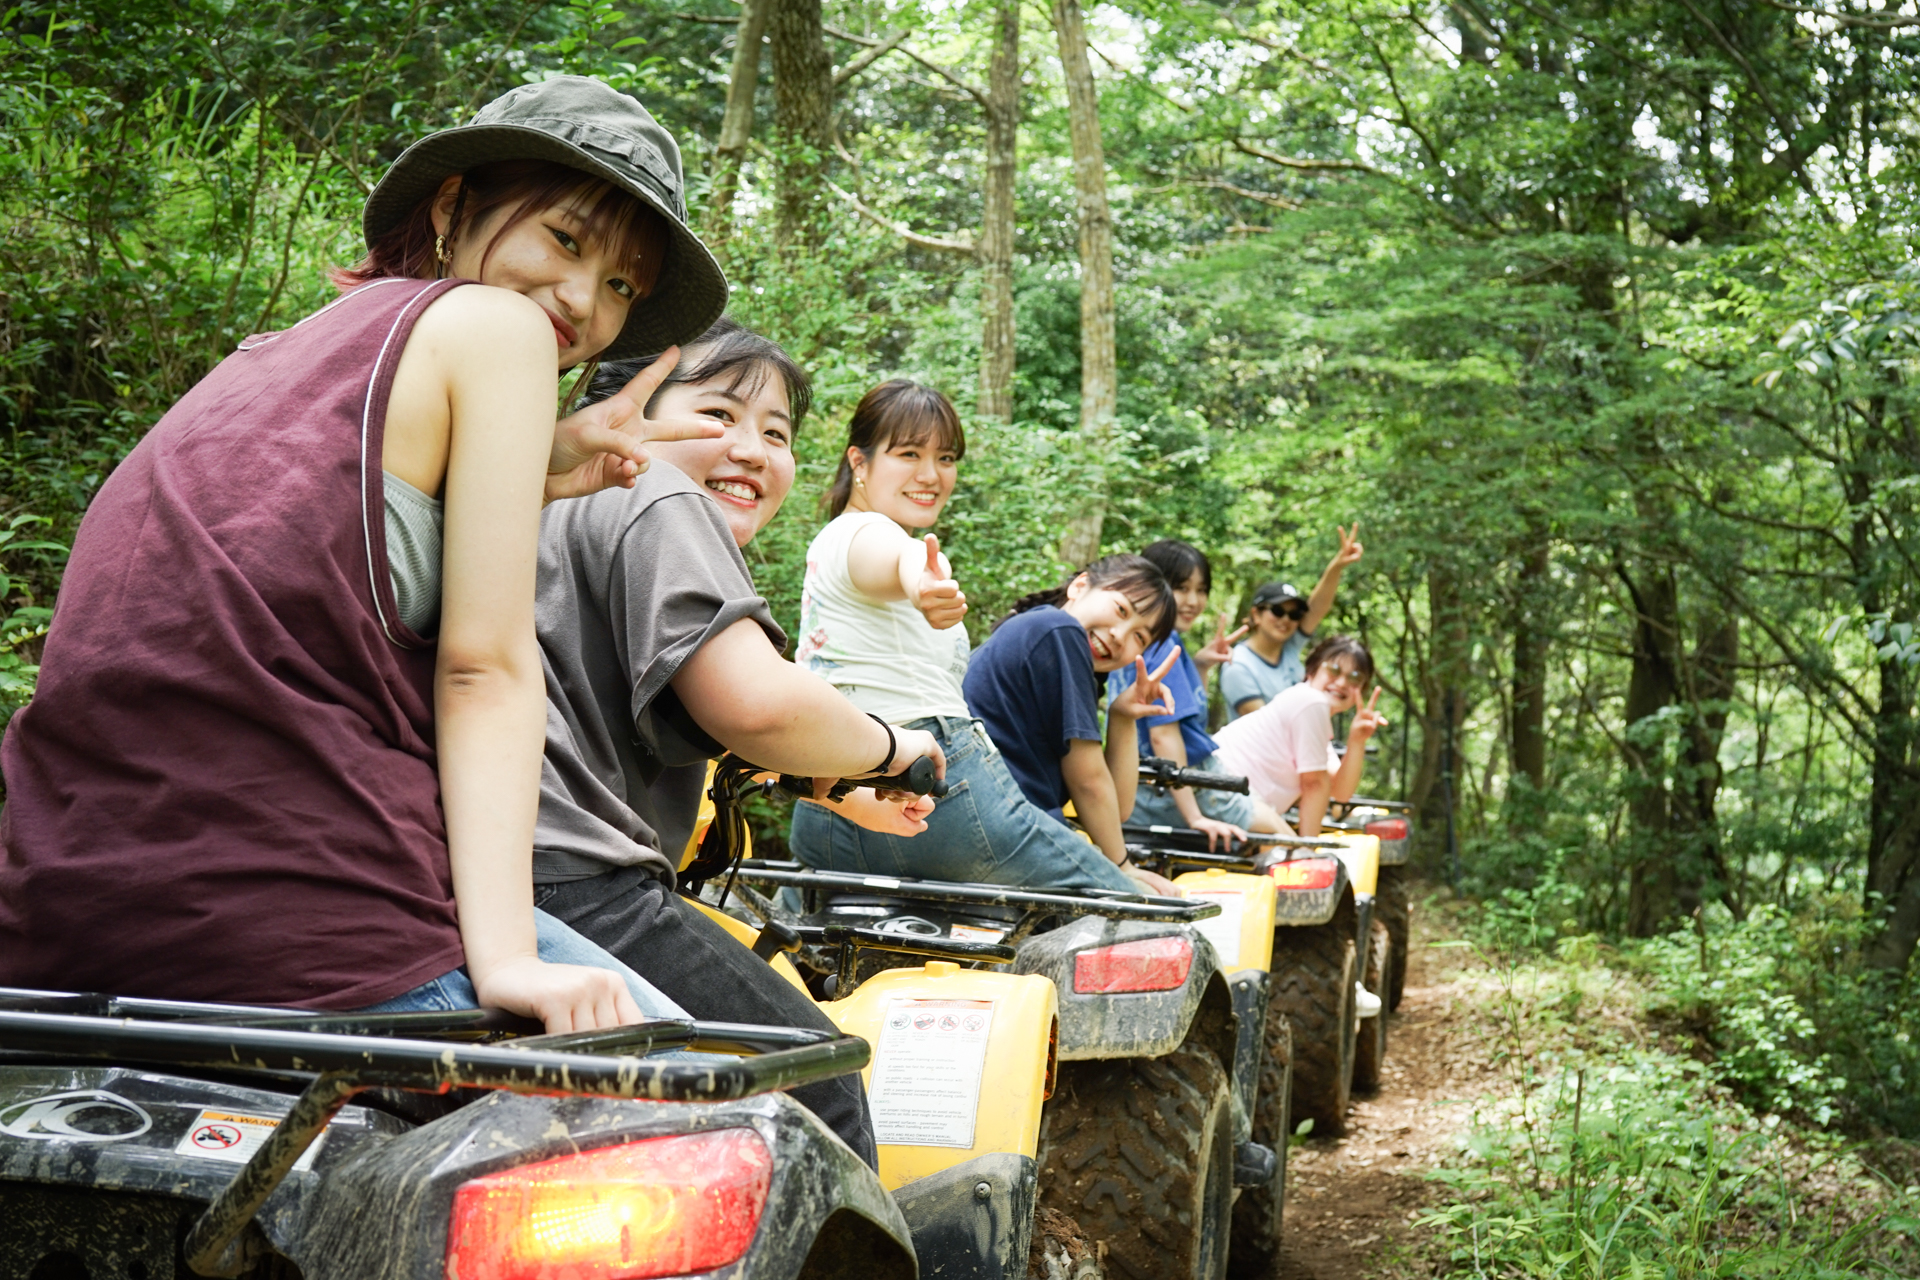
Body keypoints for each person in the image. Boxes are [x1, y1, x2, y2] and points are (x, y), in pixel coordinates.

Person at [0, 77, 732, 1033]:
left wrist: (535, 466)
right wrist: (510, 961)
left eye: (623, 286)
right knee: (734, 1094)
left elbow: (294, 561)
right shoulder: (500, 328)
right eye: (565, 238)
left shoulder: (265, 360)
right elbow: (483, 670)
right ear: (453, 205)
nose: (583, 299)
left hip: (55, 921)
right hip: (298, 922)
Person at [526, 321, 946, 1166]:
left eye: (777, 433)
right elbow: (756, 705)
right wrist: (894, 748)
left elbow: (645, 704)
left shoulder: (549, 502)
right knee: (817, 1074)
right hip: (578, 881)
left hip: (501, 878)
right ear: (624, 409)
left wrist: (832, 785)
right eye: (719, 414)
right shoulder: (659, 494)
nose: (752, 449)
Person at [785, 382, 1167, 895]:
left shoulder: (832, 548)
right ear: (860, 461)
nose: (931, 474)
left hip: (826, 805)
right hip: (931, 791)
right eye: (909, 454)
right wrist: (921, 581)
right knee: (1133, 908)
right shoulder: (865, 535)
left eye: (945, 458)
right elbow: (895, 557)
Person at [963, 557, 1187, 894]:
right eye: (1121, 610)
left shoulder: (1050, 636)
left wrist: (1123, 716)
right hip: (1001, 827)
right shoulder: (1059, 631)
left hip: (1000, 825)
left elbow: (1116, 809)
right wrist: (1122, 867)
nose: (1119, 635)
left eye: (1139, 637)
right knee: (1150, 903)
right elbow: (1089, 783)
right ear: (1079, 586)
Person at [1108, 539, 1287, 849]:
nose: (1193, 600)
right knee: (1282, 836)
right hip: (1178, 783)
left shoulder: (1136, 640)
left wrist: (1200, 665)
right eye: (1181, 588)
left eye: (1201, 590)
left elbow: (1188, 717)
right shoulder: (1163, 644)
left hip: (1142, 785)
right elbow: (1163, 735)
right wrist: (1194, 817)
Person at [1212, 635, 1387, 838]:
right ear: (1312, 669)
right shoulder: (1310, 701)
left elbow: (1340, 791)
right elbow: (1315, 785)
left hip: (1234, 797)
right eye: (1334, 670)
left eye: (1354, 677)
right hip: (1220, 790)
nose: (1341, 682)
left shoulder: (1313, 716)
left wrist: (1357, 740)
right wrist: (1308, 848)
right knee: (1298, 854)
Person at [1221, 524, 1366, 720]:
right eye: (1277, 611)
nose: (1285, 620)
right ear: (1256, 614)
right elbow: (1265, 726)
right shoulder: (1238, 666)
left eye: (1294, 614)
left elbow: (1317, 608)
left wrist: (1337, 566)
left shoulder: (1288, 648)